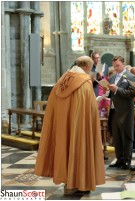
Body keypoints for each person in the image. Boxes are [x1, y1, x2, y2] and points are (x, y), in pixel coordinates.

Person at [35, 56, 105, 193]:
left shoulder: (62, 81)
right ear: (87, 67)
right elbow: (90, 109)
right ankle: (79, 183)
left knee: (65, 148)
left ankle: (68, 183)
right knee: (79, 148)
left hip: (61, 126)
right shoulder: (84, 83)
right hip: (80, 127)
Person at [107, 56, 135, 170]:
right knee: (117, 136)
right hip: (114, 110)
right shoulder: (112, 77)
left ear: (123, 64)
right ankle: (119, 159)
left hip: (125, 111)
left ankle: (127, 161)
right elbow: (112, 94)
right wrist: (108, 92)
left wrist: (117, 89)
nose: (116, 68)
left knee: (126, 136)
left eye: (118, 65)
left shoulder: (131, 77)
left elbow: (131, 94)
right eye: (114, 66)